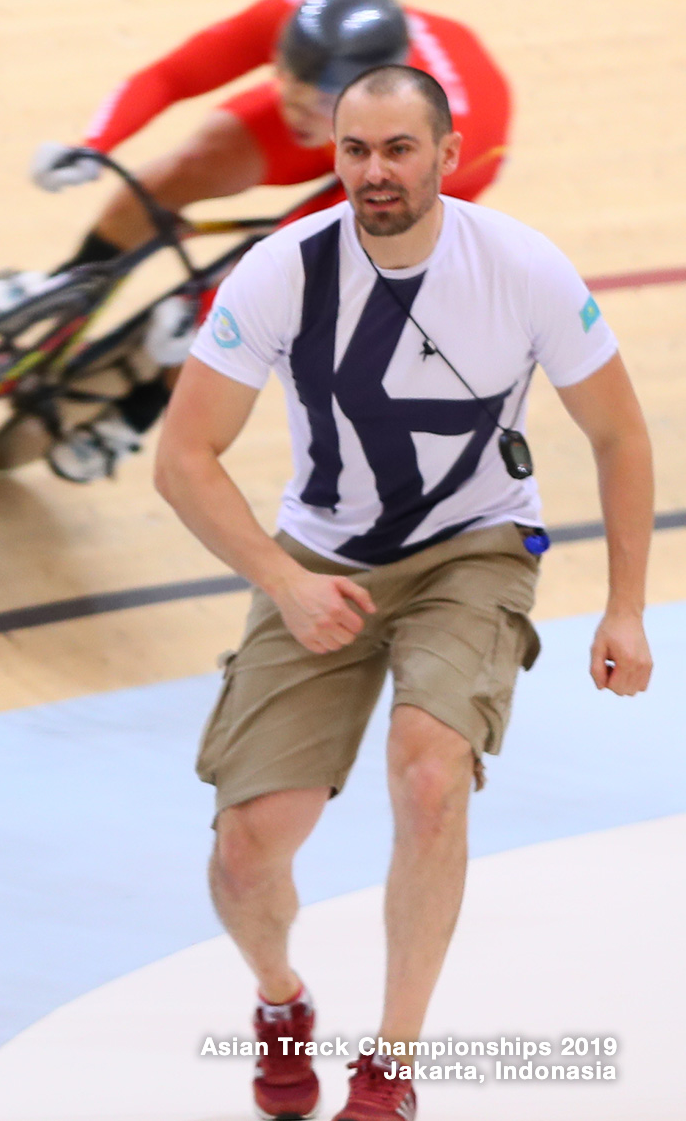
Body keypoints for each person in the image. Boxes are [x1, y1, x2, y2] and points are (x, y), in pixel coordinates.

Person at [154, 66, 651, 1121]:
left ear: (447, 155)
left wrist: (624, 605)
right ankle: (281, 1001)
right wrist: (284, 580)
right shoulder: (280, 271)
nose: (373, 172)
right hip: (320, 555)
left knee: (429, 777)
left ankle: (389, 1066)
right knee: (248, 851)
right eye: (353, 151)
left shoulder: (519, 266)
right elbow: (184, 457)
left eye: (398, 149)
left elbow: (617, 434)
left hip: (474, 545)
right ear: (331, 157)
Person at [0, 0, 510, 484]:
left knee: (251, 301)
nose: (295, 109)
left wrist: (210, 311)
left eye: (317, 101)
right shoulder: (293, 19)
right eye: (287, 83)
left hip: (420, 181)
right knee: (184, 169)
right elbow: (171, 76)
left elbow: (303, 250)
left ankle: (133, 415)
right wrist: (96, 145)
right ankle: (68, 284)